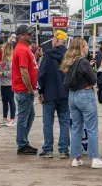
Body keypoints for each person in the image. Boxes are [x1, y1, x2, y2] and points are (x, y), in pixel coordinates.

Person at [65, 38, 102, 168]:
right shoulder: (83, 62)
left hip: (72, 96)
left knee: (76, 127)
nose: (86, 48)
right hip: (85, 95)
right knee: (92, 127)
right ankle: (95, 158)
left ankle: (76, 157)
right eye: (85, 46)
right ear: (80, 48)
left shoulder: (69, 61)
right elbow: (93, 79)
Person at [37, 30, 70, 159]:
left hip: (49, 93)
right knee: (65, 122)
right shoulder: (69, 55)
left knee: (48, 123)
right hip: (66, 93)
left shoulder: (48, 55)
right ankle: (63, 150)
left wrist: (41, 91)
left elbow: (42, 74)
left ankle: (48, 149)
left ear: (56, 40)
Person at [12, 25, 39, 155]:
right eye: (28, 34)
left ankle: (23, 141)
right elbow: (24, 71)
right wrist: (29, 88)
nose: (31, 35)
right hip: (24, 89)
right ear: (21, 36)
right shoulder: (22, 50)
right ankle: (22, 144)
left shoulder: (25, 49)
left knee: (29, 115)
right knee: (24, 117)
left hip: (25, 89)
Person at [0, 43, 16, 127]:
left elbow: (12, 72)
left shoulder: (10, 60)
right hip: (3, 84)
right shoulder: (3, 59)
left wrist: (2, 73)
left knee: (11, 101)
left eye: (3, 48)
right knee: (4, 101)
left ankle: (12, 118)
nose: (1, 49)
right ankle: (4, 118)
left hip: (9, 84)